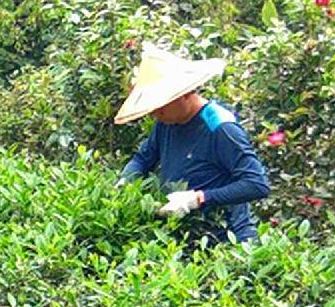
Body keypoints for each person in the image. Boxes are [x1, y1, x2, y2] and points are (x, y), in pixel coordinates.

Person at [115, 44, 270, 243]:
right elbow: (144, 158)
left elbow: (256, 184)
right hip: (186, 237)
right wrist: (127, 179)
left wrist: (197, 199)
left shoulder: (220, 128)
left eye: (160, 104)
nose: (154, 113)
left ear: (185, 93)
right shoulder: (167, 121)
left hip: (227, 242)